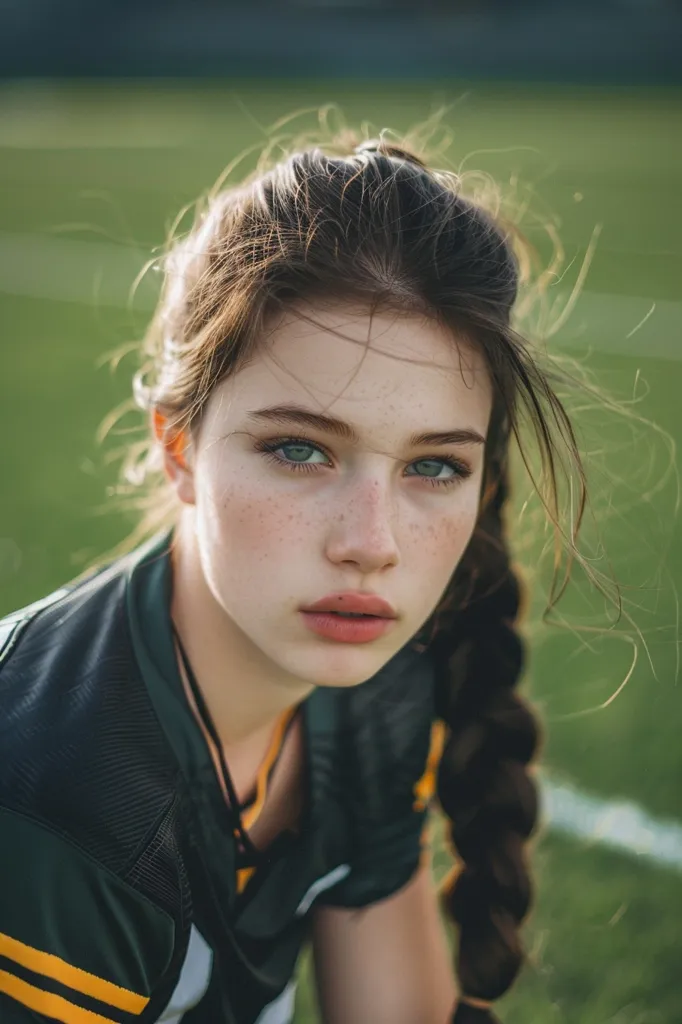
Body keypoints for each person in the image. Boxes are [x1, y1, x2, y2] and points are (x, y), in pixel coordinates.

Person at [0, 133, 589, 1024]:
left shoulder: (370, 683)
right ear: (178, 449)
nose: (372, 543)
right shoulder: (53, 802)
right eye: (299, 449)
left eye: (434, 466)